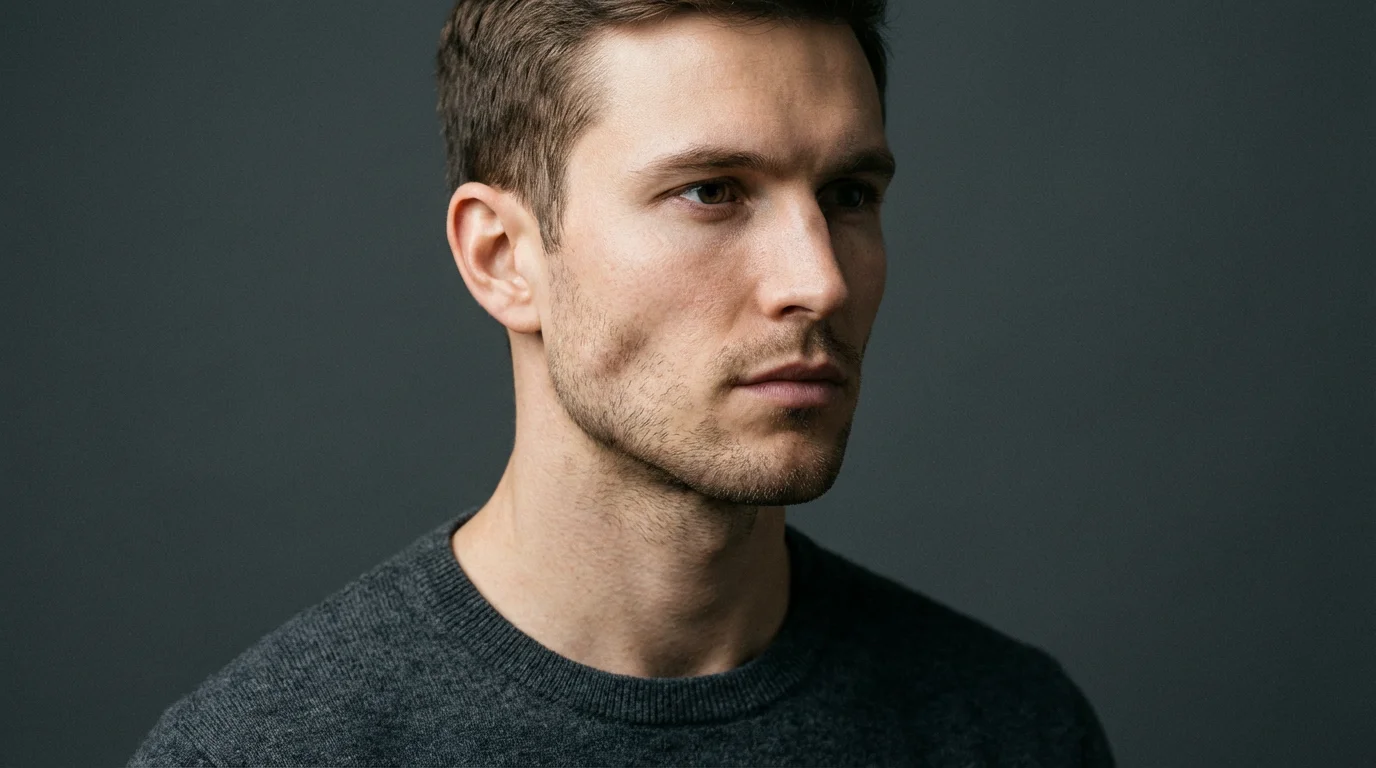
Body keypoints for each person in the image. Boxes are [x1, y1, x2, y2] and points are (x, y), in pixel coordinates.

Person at [130, 1, 1115, 765]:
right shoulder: (261, 752)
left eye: (847, 195)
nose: (817, 280)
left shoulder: (1008, 730)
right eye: (710, 193)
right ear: (503, 256)